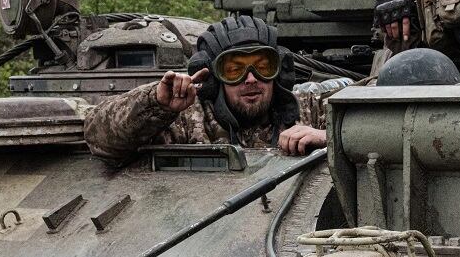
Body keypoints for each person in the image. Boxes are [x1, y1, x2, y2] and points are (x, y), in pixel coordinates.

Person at [84, 14, 326, 165]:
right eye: (234, 69)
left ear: (279, 71)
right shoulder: (189, 119)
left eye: (263, 66)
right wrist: (154, 103)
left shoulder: (308, 110)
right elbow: (98, 138)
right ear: (213, 77)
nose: (251, 79)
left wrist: (329, 138)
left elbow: (362, 119)